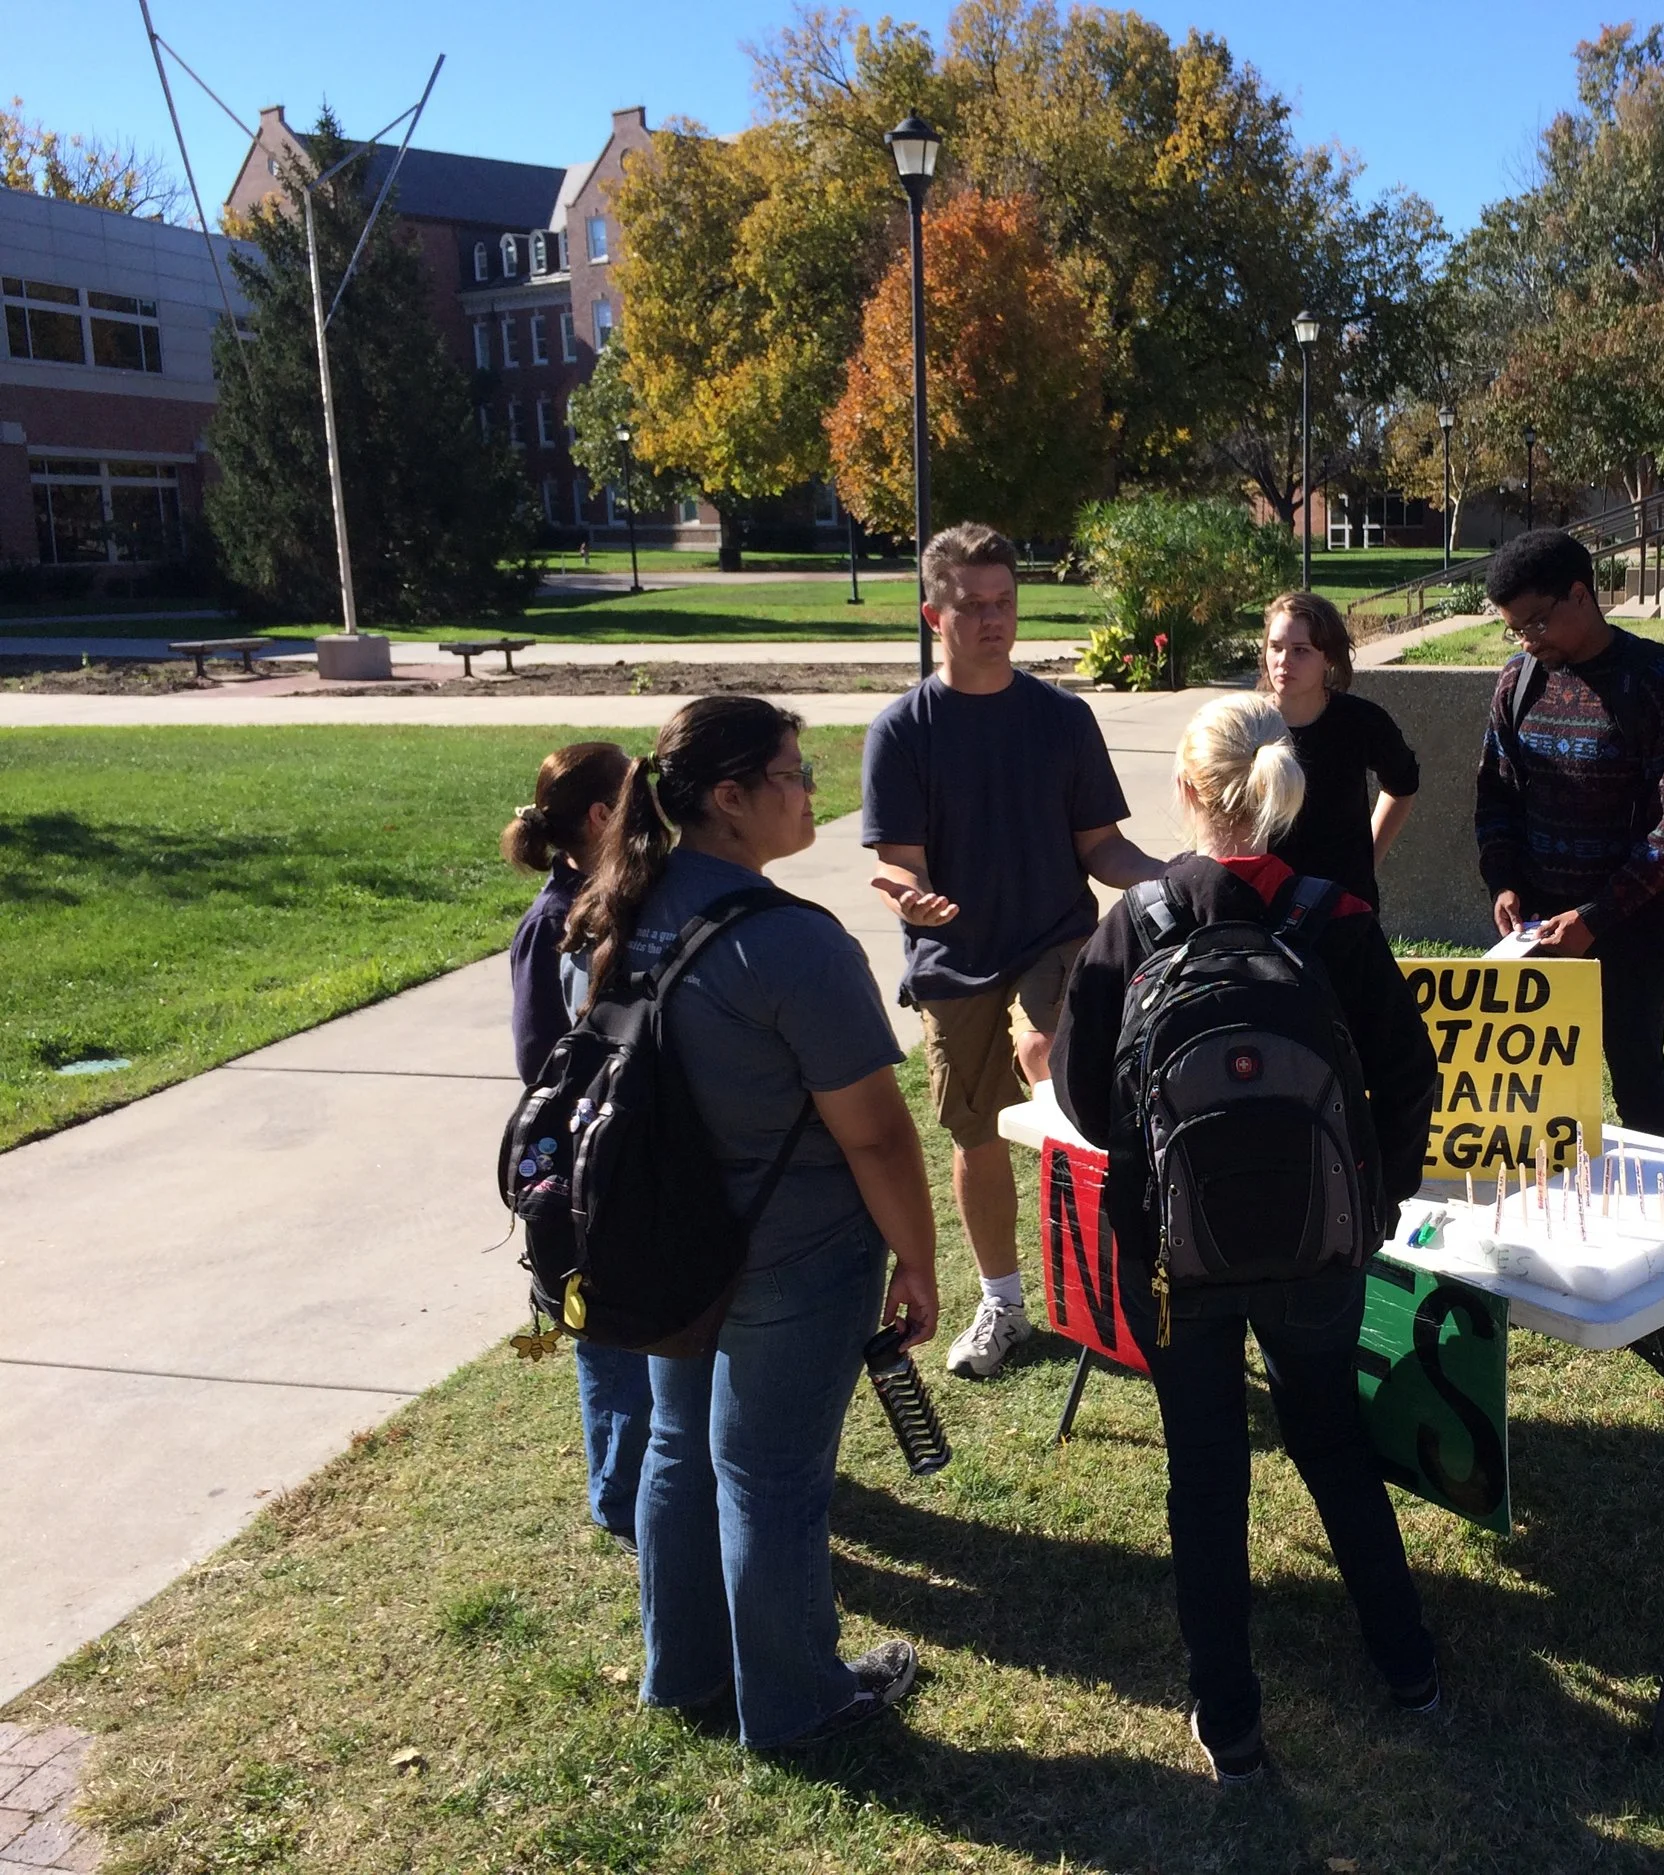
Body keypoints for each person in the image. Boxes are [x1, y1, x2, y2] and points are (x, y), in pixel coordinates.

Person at [1051, 692, 1441, 1785]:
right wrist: (1375, 1198)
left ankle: (1228, 1720)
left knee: (1207, 1470)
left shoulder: (1132, 922)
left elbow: (1087, 1103)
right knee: (1331, 1444)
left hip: (1171, 1256)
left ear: (1185, 791)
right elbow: (1407, 1079)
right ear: (1291, 795)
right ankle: (1407, 1664)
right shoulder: (1337, 917)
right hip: (1320, 1245)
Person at [567, 695, 943, 1748]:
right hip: (792, 1256)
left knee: (681, 1448)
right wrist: (916, 1260)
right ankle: (797, 1705)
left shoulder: (611, 911)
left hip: (659, 1244)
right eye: (791, 772)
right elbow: (873, 1134)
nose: (811, 787)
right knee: (771, 1481)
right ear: (729, 799)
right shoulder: (790, 944)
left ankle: (684, 1672)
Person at [862, 521, 1163, 1379]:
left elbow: (1101, 846)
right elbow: (897, 859)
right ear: (934, 614)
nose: (994, 620)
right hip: (952, 959)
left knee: (1060, 1078)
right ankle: (1005, 1302)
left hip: (1054, 938)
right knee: (978, 1128)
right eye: (973, 606)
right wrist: (906, 891)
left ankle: (1120, 1291)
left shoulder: (1061, 719)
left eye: (1006, 603)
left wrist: (1164, 873)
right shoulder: (902, 731)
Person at [1474, 527, 1664, 1138]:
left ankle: (1663, 1217)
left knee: (1637, 1080)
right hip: (1536, 932)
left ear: (1581, 595)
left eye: (1535, 623)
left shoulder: (1658, 683)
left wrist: (1593, 919)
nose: (1527, 641)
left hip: (1630, 932)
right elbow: (1495, 792)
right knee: (1538, 1096)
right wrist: (1502, 882)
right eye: (1515, 630)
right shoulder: (1518, 681)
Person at [502, 740, 646, 1548]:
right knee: (608, 1335)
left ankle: (652, 1475)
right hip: (584, 1173)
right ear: (601, 817)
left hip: (622, 1156)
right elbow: (539, 1061)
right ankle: (624, 1501)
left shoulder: (616, 903)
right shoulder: (553, 924)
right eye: (634, 795)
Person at [1258, 591, 1421, 914]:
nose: (1283, 661)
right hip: (1265, 903)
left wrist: (1368, 857)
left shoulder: (1362, 721)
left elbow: (1402, 785)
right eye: (1275, 647)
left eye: (1300, 651)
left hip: (1343, 904)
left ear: (1329, 657)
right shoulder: (1248, 724)